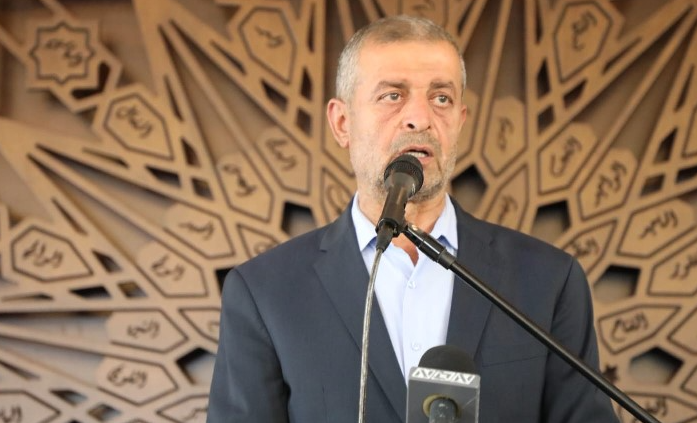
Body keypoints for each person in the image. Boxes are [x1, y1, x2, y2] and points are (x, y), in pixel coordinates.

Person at [207, 15, 618, 423]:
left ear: (460, 121)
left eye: (441, 98)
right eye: (392, 95)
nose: (420, 118)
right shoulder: (265, 293)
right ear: (342, 123)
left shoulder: (548, 280)